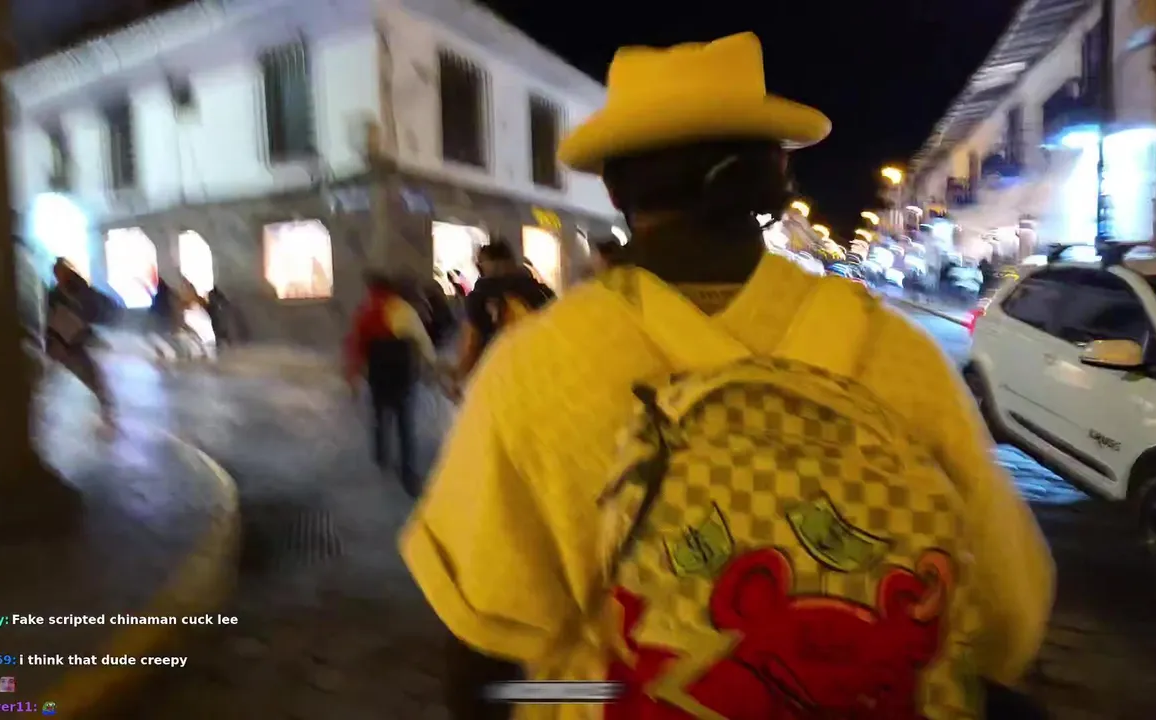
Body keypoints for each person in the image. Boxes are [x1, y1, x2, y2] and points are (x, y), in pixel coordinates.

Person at [400, 32, 1053, 720]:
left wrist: (614, 691)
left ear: (615, 189)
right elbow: (1008, 612)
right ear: (776, 173)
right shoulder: (898, 354)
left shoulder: (534, 367)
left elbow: (484, 661)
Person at [344, 271, 437, 496]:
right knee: (405, 423)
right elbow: (421, 339)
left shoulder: (366, 311)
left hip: (378, 373)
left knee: (379, 416)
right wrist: (430, 366)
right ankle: (408, 473)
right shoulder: (401, 309)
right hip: (402, 372)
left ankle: (381, 459)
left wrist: (353, 376)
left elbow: (356, 346)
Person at [453, 239, 555, 381]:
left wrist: (459, 377)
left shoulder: (479, 297)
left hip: (498, 376)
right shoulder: (543, 292)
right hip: (541, 371)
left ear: (482, 265)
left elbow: (471, 346)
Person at [44, 258, 116, 434]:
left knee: (94, 379)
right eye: (56, 272)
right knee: (50, 380)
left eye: (60, 271)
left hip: (73, 343)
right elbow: (50, 321)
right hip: (61, 344)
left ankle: (108, 415)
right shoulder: (55, 295)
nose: (58, 275)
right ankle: (44, 416)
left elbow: (88, 314)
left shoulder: (77, 290)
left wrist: (93, 336)